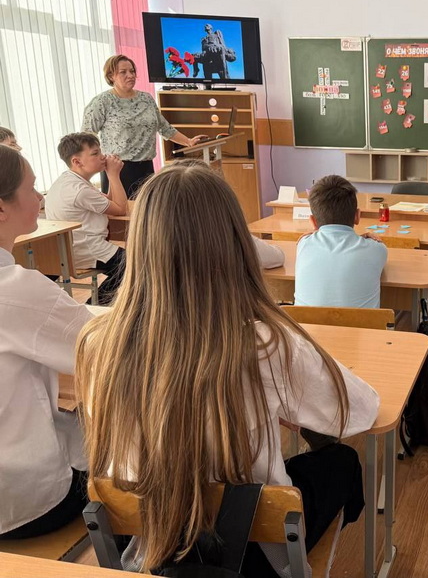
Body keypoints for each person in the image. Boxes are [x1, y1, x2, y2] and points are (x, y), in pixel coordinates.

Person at [75, 163, 380, 576]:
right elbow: (360, 410)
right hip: (247, 549)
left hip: (146, 545)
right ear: (237, 242)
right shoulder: (269, 344)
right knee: (341, 460)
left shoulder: (97, 344)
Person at [0, 146, 93, 540]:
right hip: (27, 500)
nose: (40, 198)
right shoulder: (17, 290)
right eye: (32, 188)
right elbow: (104, 350)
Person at [81, 54, 207, 197]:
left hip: (146, 167)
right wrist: (95, 165)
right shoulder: (102, 102)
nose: (130, 75)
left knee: (147, 213)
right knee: (124, 216)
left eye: (132, 71)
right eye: (123, 72)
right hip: (118, 169)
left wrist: (188, 141)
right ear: (111, 76)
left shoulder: (146, 98)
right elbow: (87, 137)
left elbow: (164, 127)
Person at [45, 133, 128, 306]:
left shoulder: (69, 181)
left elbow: (109, 202)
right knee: (133, 266)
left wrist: (110, 173)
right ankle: (94, 305)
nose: (102, 156)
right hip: (86, 247)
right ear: (77, 161)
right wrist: (114, 175)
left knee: (131, 264)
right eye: (95, 153)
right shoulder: (79, 190)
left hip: (71, 247)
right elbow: (120, 209)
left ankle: (95, 304)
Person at [295, 175, 387, 309]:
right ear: (357, 216)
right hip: (363, 330)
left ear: (313, 221)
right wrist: (365, 239)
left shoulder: (303, 245)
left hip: (306, 329)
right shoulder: (377, 249)